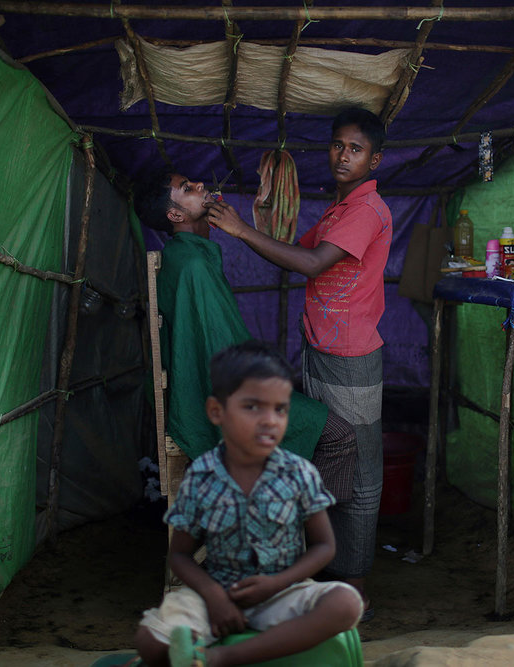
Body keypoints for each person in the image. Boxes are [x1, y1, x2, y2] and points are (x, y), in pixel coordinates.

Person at [205, 107, 392, 613]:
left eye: (355, 149)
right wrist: (252, 223)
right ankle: (324, 570)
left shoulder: (366, 211)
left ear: (374, 160)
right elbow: (296, 252)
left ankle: (354, 586)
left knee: (359, 472)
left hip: (350, 357)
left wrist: (242, 231)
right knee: (327, 453)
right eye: (338, 146)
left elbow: (310, 264)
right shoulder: (338, 210)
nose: (343, 156)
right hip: (320, 348)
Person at [134, 341, 363, 667]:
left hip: (283, 591)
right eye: (253, 407)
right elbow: (181, 555)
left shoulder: (299, 473)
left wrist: (277, 583)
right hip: (215, 590)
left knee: (345, 603)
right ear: (217, 412)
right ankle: (192, 647)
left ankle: (220, 657)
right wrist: (214, 597)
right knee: (149, 640)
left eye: (280, 409)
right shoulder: (201, 476)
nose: (270, 420)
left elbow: (324, 547)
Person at [134, 172, 357, 504]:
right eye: (187, 189)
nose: (199, 185)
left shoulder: (189, 255)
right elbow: (218, 350)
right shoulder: (194, 264)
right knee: (341, 437)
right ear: (175, 215)